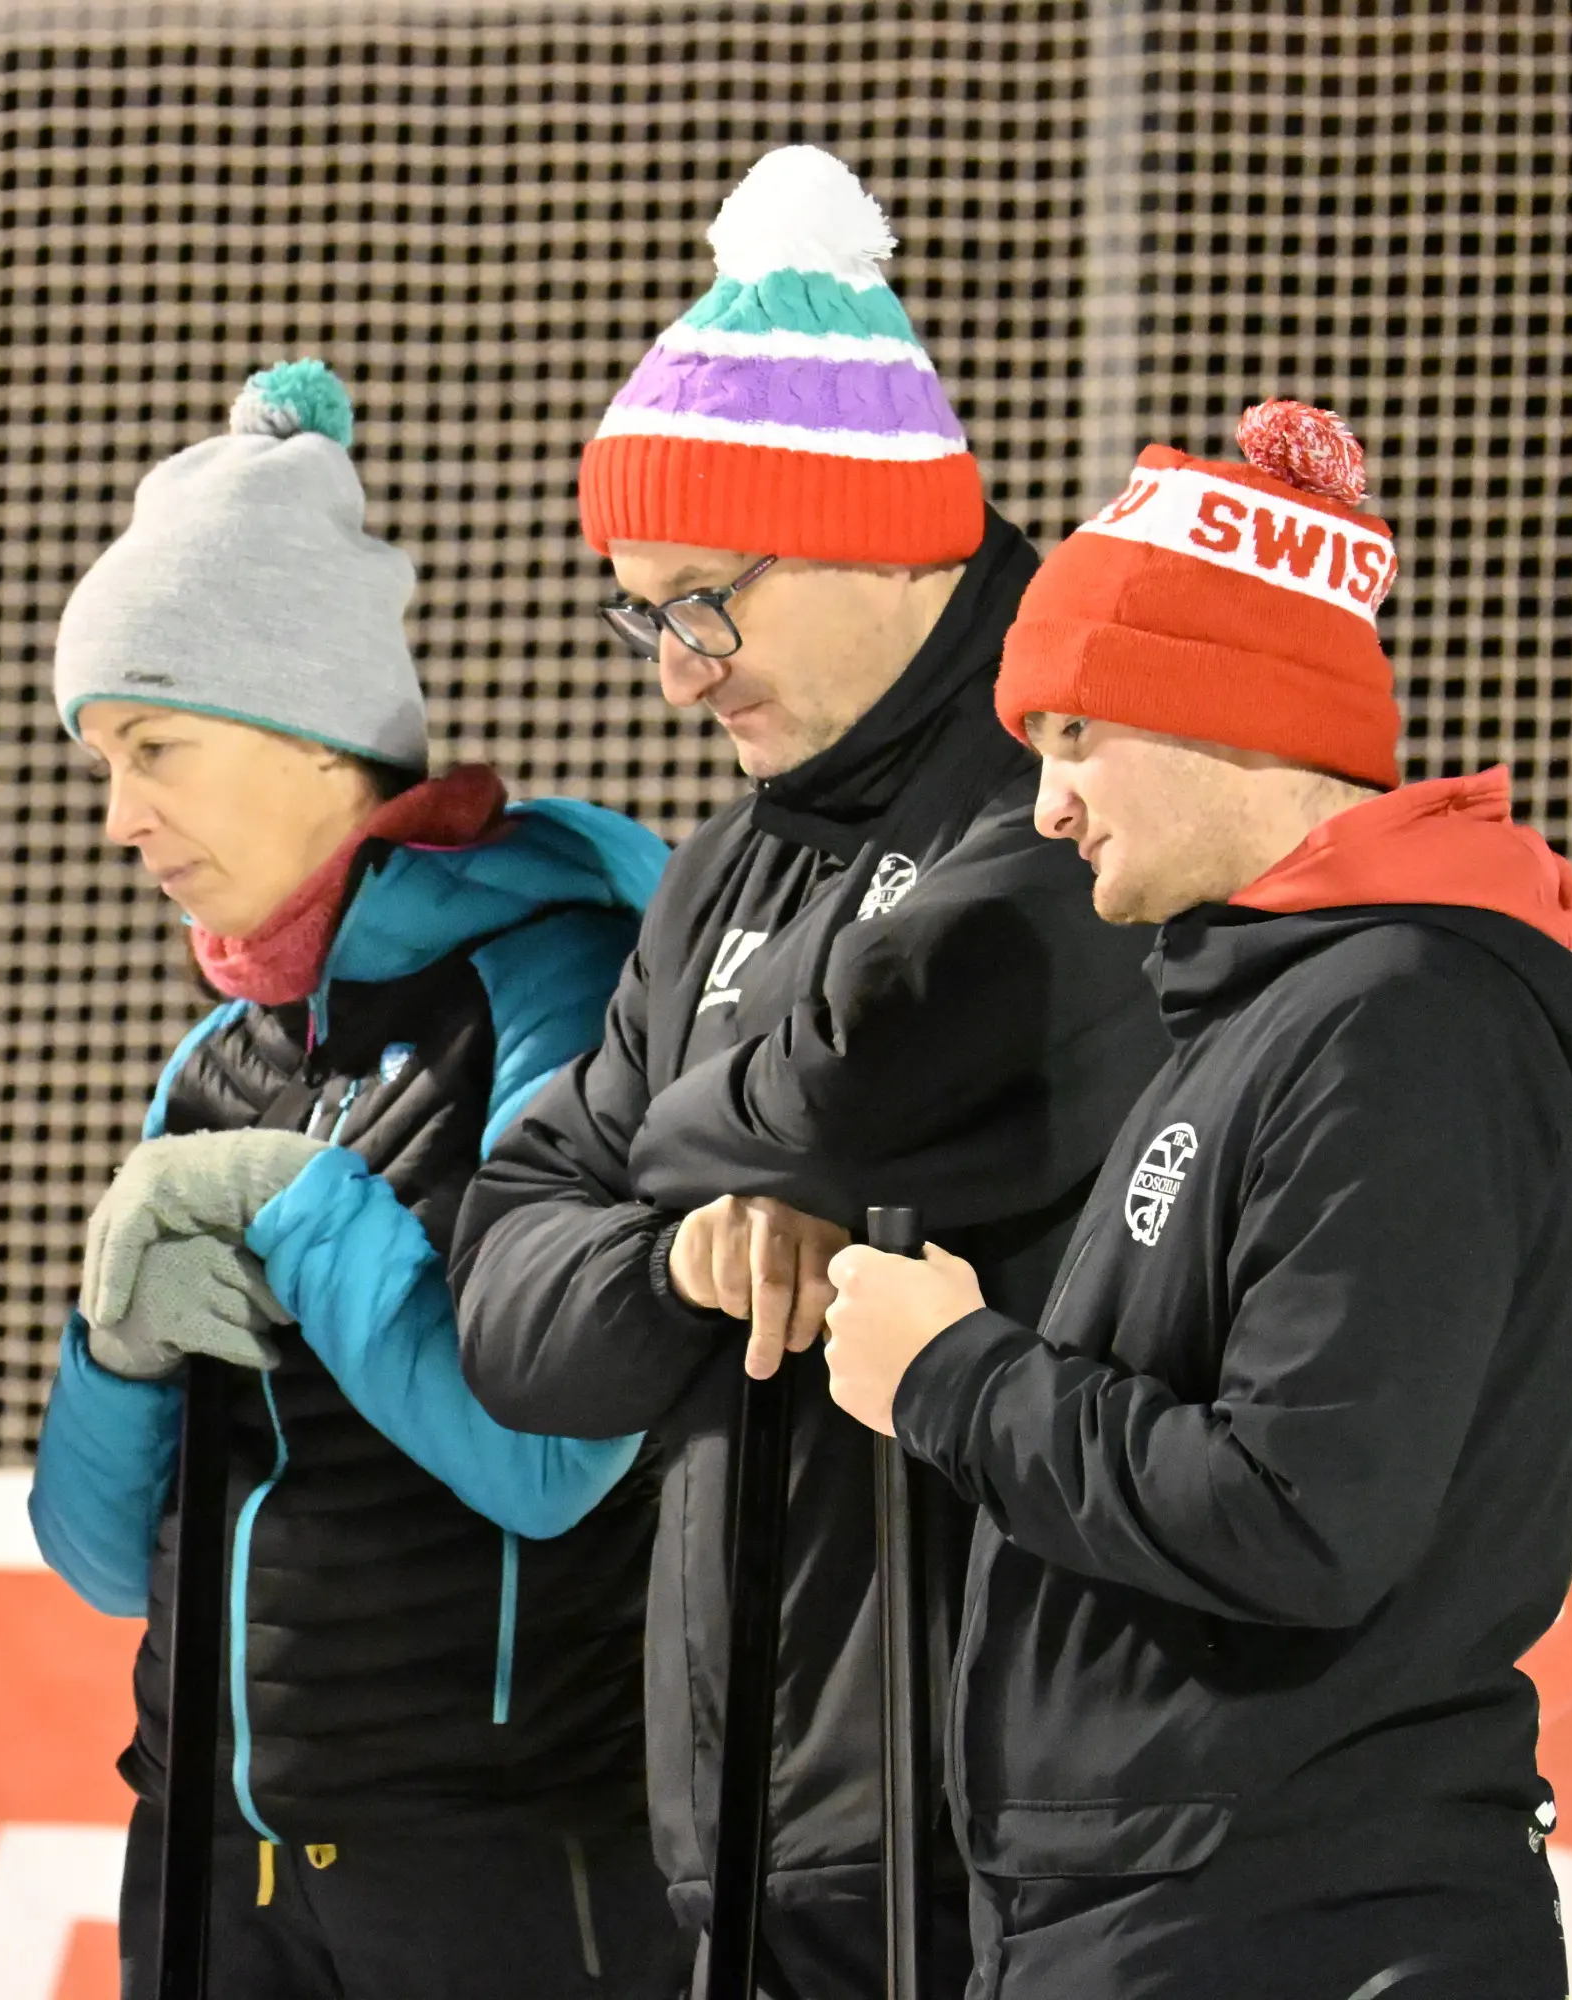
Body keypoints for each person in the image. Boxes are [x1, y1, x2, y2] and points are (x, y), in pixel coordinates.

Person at [447, 146, 1167, 1995]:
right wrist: (687, 1250)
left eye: (704, 600)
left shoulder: (1081, 781)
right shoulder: (727, 862)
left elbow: (875, 1079)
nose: (675, 674)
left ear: (868, 531)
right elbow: (515, 1301)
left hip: (1038, 1831)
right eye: (644, 614)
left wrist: (670, 1147)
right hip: (759, 1831)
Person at [818, 403, 1572, 1997]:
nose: (1045, 805)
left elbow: (1301, 1513)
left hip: (1288, 1920)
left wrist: (951, 1375)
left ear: (1217, 716)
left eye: (1070, 737)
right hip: (1178, 1909)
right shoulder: (1267, 1021)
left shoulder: (1398, 1022)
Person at [27, 362, 687, 2000]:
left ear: (306, 733)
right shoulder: (218, 1058)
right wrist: (112, 1345)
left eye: (154, 746)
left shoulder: (561, 990)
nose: (121, 817)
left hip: (498, 1868)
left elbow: (555, 1463)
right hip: (200, 1860)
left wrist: (301, 1209)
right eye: (105, 761)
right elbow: (107, 1563)